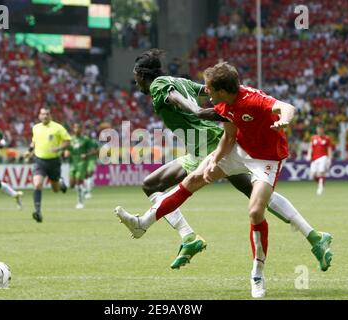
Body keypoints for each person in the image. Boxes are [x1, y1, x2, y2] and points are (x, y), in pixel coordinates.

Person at [115, 62, 333, 298]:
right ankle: (146, 224)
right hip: (237, 150)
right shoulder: (223, 102)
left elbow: (286, 107)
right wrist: (213, 160)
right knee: (192, 181)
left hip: (266, 160)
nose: (205, 92)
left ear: (221, 89)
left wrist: (285, 120)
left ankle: (258, 272)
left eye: (208, 88)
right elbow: (229, 136)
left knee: (255, 209)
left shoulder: (252, 100)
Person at [24, 108, 71, 223]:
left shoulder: (58, 128)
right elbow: (34, 142)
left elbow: (67, 141)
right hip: (39, 161)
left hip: (54, 161)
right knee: (37, 184)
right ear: (39, 116)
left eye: (47, 114)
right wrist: (29, 151)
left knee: (55, 189)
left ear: (50, 115)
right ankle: (38, 211)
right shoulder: (36, 128)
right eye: (43, 114)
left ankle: (60, 183)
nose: (45, 116)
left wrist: (59, 148)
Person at [64, 122, 92, 209]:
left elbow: (95, 150)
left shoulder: (86, 139)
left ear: (81, 129)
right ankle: (83, 190)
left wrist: (86, 155)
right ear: (73, 129)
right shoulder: (71, 139)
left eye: (78, 128)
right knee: (72, 184)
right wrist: (66, 153)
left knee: (78, 180)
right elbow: (67, 149)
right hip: (73, 163)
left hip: (82, 163)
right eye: (75, 128)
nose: (76, 130)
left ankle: (80, 202)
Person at [306, 126, 333, 195]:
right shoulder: (313, 138)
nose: (319, 131)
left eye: (320, 130)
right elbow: (310, 147)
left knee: (321, 172)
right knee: (312, 175)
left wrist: (329, 158)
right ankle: (321, 182)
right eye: (318, 130)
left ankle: (320, 187)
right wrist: (309, 155)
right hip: (314, 158)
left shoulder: (327, 138)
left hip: (323, 157)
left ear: (323, 130)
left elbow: (329, 149)